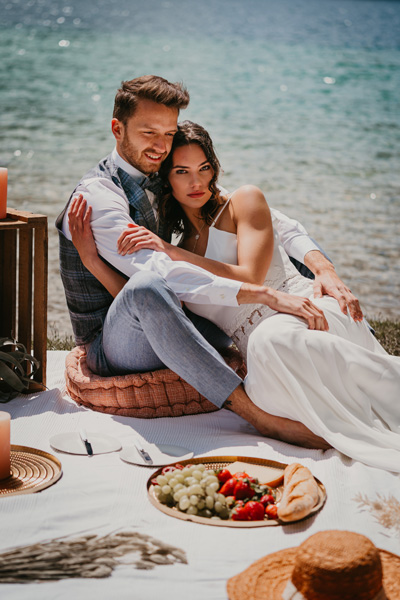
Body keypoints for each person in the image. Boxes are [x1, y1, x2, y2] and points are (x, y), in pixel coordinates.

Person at [69, 120, 400, 472]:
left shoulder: (242, 201)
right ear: (167, 179)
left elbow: (253, 274)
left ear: (214, 168)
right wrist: (91, 259)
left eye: (204, 168)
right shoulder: (179, 248)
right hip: (258, 357)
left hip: (303, 310)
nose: (196, 182)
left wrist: (324, 268)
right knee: (266, 349)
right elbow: (151, 310)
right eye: (182, 171)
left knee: (273, 342)